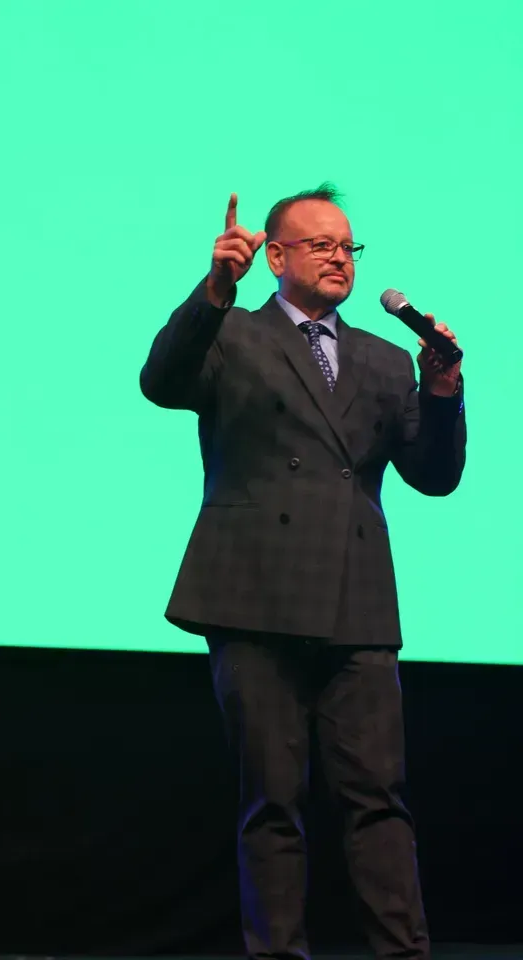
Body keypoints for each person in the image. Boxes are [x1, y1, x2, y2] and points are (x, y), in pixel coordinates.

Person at [139, 184, 466, 960]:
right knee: (273, 802)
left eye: (347, 245)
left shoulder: (385, 360)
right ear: (274, 257)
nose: (337, 257)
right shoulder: (232, 336)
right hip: (254, 593)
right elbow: (160, 382)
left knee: (377, 800)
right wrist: (216, 289)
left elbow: (434, 474)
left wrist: (444, 388)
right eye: (318, 244)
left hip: (355, 599)